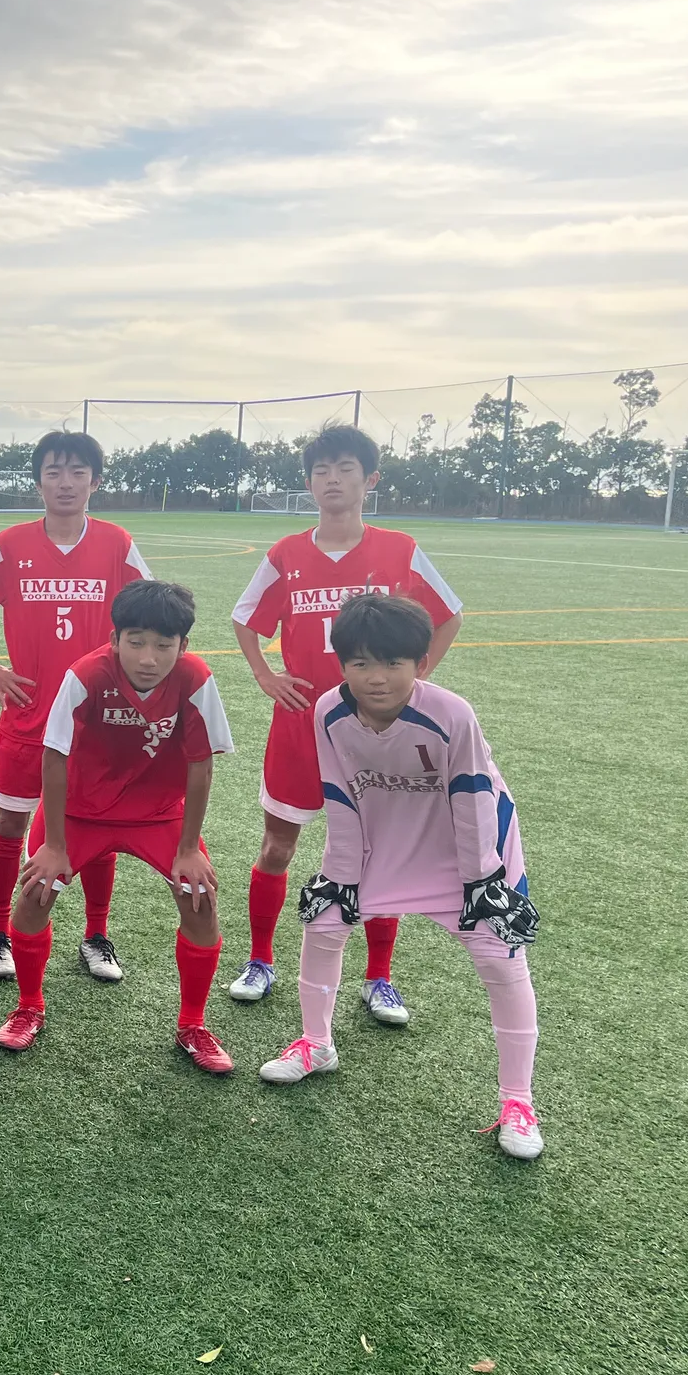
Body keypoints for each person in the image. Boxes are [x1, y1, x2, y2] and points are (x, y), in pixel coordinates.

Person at [258, 594, 544, 1160]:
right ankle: (316, 1045)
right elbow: (339, 794)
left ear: (422, 664)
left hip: (470, 849)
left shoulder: (452, 713)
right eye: (361, 663)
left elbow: (473, 796)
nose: (377, 677)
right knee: (325, 923)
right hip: (385, 837)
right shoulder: (328, 712)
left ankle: (518, 1101)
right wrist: (341, 873)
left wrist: (482, 881)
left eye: (393, 663)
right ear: (342, 664)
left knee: (500, 960)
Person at [228, 425, 462, 1019]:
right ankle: (259, 960)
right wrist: (265, 675)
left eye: (345, 469)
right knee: (277, 845)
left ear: (370, 479)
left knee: (381, 851)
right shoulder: (286, 553)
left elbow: (449, 615)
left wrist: (416, 676)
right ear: (309, 483)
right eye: (322, 470)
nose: (332, 479)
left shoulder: (400, 549)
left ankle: (378, 977)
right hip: (301, 723)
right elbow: (245, 619)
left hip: (378, 727)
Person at [2, 580, 237, 1073]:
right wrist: (54, 845)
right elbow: (54, 756)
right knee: (35, 893)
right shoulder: (86, 674)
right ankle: (28, 1006)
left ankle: (193, 1025)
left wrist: (189, 848)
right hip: (79, 810)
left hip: (158, 812)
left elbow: (201, 764)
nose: (148, 657)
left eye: (163, 645)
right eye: (136, 642)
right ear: (114, 639)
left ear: (183, 646)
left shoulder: (195, 678)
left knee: (200, 898)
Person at [0, 432, 151, 987]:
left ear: (95, 481)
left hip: (98, 718)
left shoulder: (116, 543)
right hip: (29, 711)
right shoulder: (11, 543)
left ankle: (96, 934)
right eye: (54, 472)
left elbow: (153, 610)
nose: (66, 483)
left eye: (78, 472)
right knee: (11, 824)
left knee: (96, 825)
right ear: (38, 481)